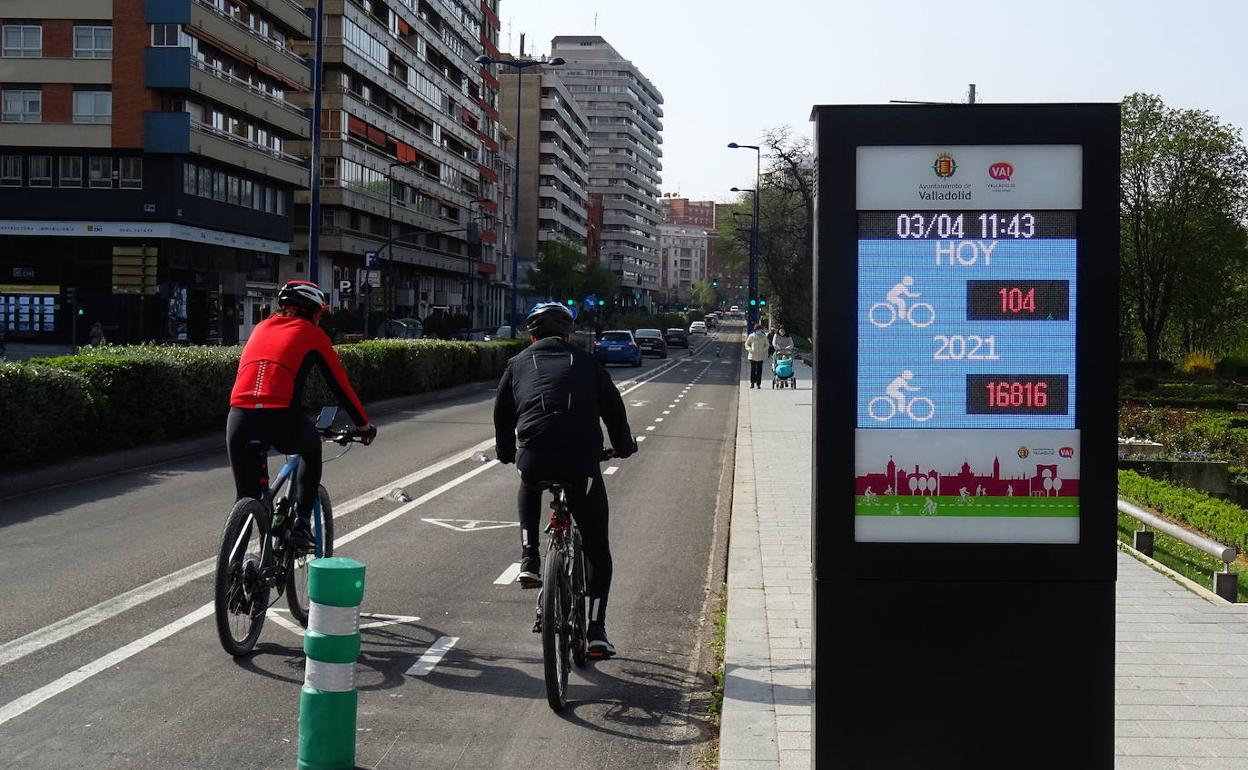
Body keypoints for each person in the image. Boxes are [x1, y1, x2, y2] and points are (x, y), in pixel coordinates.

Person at [494, 301, 637, 659]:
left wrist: (506, 451)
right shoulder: (588, 363)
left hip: (535, 457)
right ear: (569, 334)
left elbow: (502, 414)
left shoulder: (516, 364)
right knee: (598, 549)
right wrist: (622, 446)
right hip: (580, 462)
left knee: (528, 479)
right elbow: (614, 409)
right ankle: (596, 631)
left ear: (531, 335)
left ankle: (530, 558)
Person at [227, 280, 376, 550]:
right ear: (309, 311)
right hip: (280, 416)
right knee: (310, 448)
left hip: (239, 417)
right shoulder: (311, 333)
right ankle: (301, 526)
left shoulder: (259, 328)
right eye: (319, 312)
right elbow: (340, 385)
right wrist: (363, 425)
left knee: (246, 496)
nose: (320, 318)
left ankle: (234, 575)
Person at [745, 323, 769, 388]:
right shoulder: (751, 336)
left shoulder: (764, 336)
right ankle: (752, 382)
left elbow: (767, 345)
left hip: (760, 356)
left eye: (760, 329)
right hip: (752, 356)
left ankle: (758, 384)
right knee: (753, 370)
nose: (759, 331)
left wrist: (763, 350)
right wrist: (750, 349)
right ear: (755, 330)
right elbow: (747, 344)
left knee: (759, 370)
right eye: (758, 329)